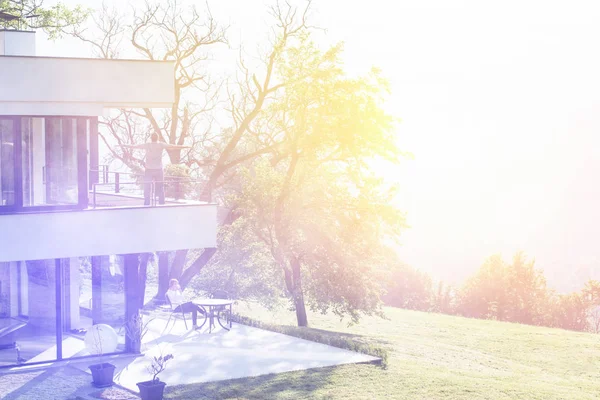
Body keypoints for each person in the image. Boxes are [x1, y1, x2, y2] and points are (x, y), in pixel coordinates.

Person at [120, 134, 190, 205]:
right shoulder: (161, 144)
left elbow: (135, 146)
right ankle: (161, 203)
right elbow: (173, 146)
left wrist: (123, 145)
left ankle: (147, 203)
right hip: (158, 170)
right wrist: (185, 146)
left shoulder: (147, 145)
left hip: (149, 170)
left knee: (147, 187)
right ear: (158, 138)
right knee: (160, 187)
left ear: (151, 138)